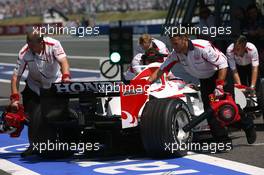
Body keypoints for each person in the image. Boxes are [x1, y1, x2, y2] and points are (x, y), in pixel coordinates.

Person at [148, 34, 256, 147]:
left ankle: (248, 125)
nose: (174, 47)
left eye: (175, 43)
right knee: (209, 110)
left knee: (227, 108)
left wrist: (219, 85)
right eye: (172, 44)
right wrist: (146, 83)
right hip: (205, 81)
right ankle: (222, 141)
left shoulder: (202, 47)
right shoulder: (176, 54)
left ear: (184, 39)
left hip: (220, 75)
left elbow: (223, 64)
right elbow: (161, 70)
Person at [10, 31, 71, 157]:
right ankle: (33, 145)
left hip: (54, 83)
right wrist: (14, 98)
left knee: (56, 115)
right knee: (33, 117)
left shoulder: (54, 44)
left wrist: (66, 77)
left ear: (41, 42)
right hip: (34, 86)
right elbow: (16, 77)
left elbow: (63, 61)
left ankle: (61, 143)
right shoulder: (24, 52)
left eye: (33, 46)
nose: (30, 48)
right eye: (28, 45)